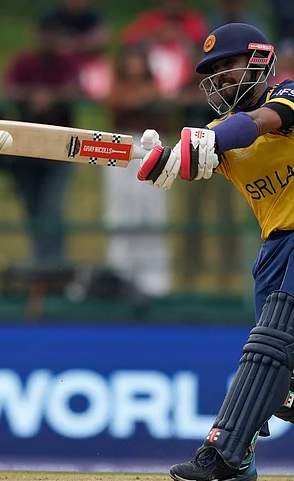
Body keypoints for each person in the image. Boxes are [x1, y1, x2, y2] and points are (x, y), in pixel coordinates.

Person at [135, 23, 294, 481]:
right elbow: (197, 158)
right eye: (212, 72)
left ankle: (225, 454)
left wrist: (208, 141)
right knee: (285, 383)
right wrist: (164, 163)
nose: (221, 79)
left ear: (257, 61)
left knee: (271, 343)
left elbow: (253, 125)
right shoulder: (219, 134)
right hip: (275, 249)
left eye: (227, 67)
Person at [2, 16, 80, 268]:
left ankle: (54, 266)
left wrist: (51, 98)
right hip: (27, 149)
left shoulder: (67, 63)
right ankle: (41, 265)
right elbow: (7, 88)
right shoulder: (24, 62)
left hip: (61, 149)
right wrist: (33, 97)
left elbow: (77, 89)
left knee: (52, 209)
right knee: (34, 209)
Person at [101, 49, 173, 297]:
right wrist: (140, 99)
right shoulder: (117, 86)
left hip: (152, 147)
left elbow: (164, 107)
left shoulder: (154, 87)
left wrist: (145, 98)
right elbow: (116, 103)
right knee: (122, 214)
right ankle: (121, 274)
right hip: (121, 146)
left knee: (151, 214)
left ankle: (154, 281)